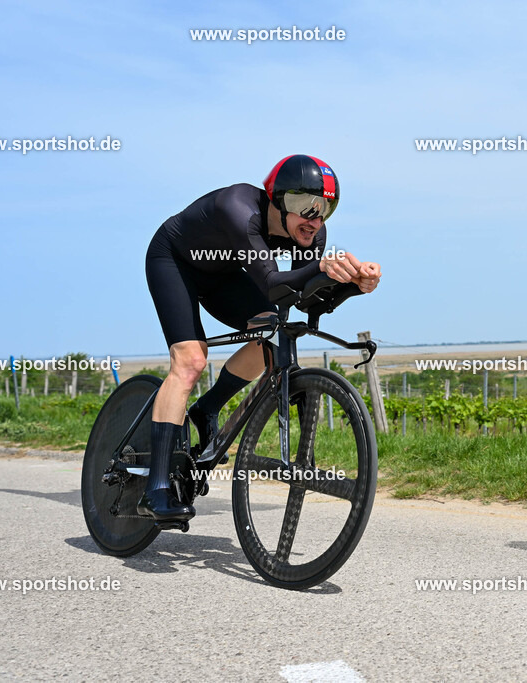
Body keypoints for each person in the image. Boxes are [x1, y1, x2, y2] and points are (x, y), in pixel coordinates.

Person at [140, 154, 381, 521]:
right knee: (191, 361)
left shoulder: (311, 234)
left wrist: (353, 285)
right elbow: (271, 283)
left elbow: (304, 300)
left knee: (271, 333)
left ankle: (207, 408)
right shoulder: (240, 209)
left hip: (224, 275)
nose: (315, 220)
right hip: (174, 261)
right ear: (278, 199)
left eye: (325, 209)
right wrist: (321, 268)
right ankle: (155, 488)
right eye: (306, 206)